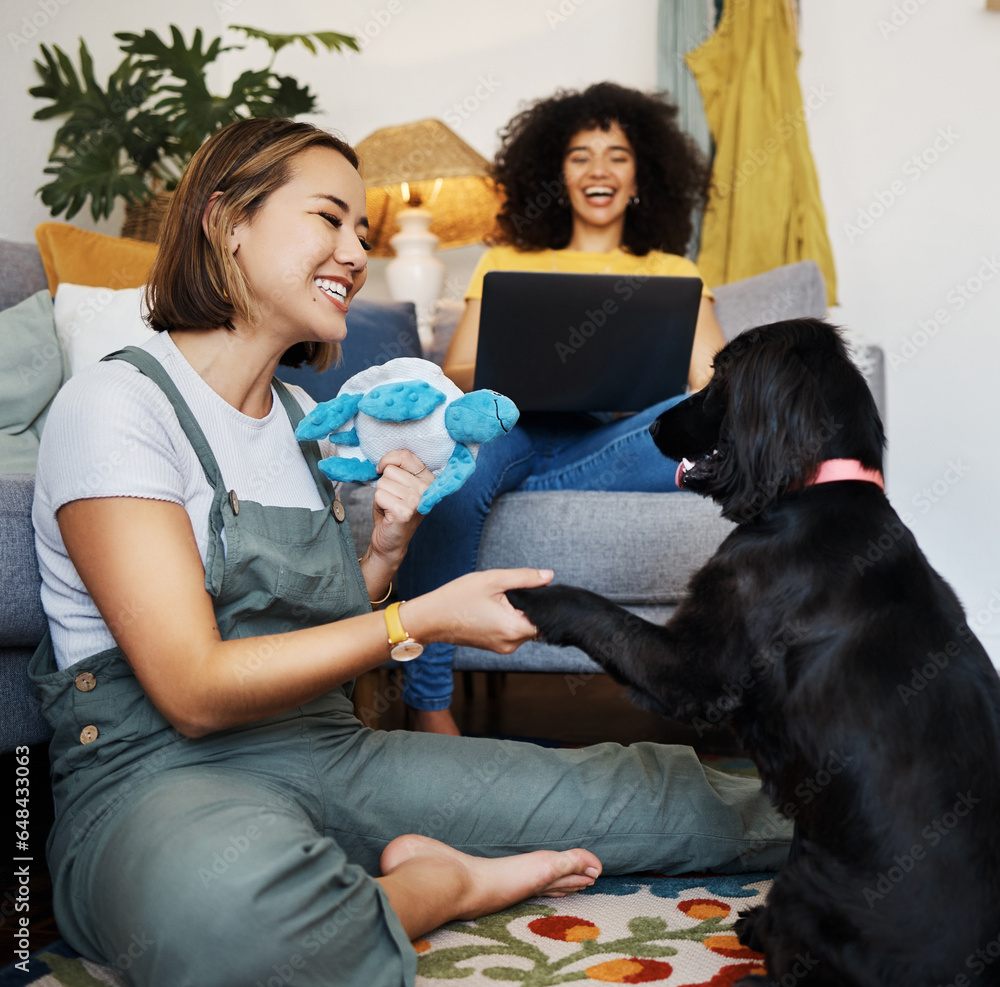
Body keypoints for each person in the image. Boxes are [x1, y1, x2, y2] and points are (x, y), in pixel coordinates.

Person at [30, 117, 789, 987]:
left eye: (362, 229)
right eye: (328, 218)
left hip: (329, 749)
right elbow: (195, 689)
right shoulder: (116, 406)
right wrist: (416, 616)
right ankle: (441, 881)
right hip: (154, 779)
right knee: (241, 927)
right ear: (224, 220)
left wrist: (386, 550)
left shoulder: (297, 421)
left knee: (658, 798)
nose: (356, 251)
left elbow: (311, 635)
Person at [397, 82, 725, 734]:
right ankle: (427, 702)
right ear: (556, 173)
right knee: (460, 461)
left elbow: (716, 391)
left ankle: (525, 487)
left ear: (642, 175)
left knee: (706, 427)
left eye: (617, 155)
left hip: (621, 438)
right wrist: (527, 366)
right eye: (580, 156)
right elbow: (457, 373)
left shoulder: (673, 272)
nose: (599, 169)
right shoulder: (507, 260)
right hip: (514, 427)